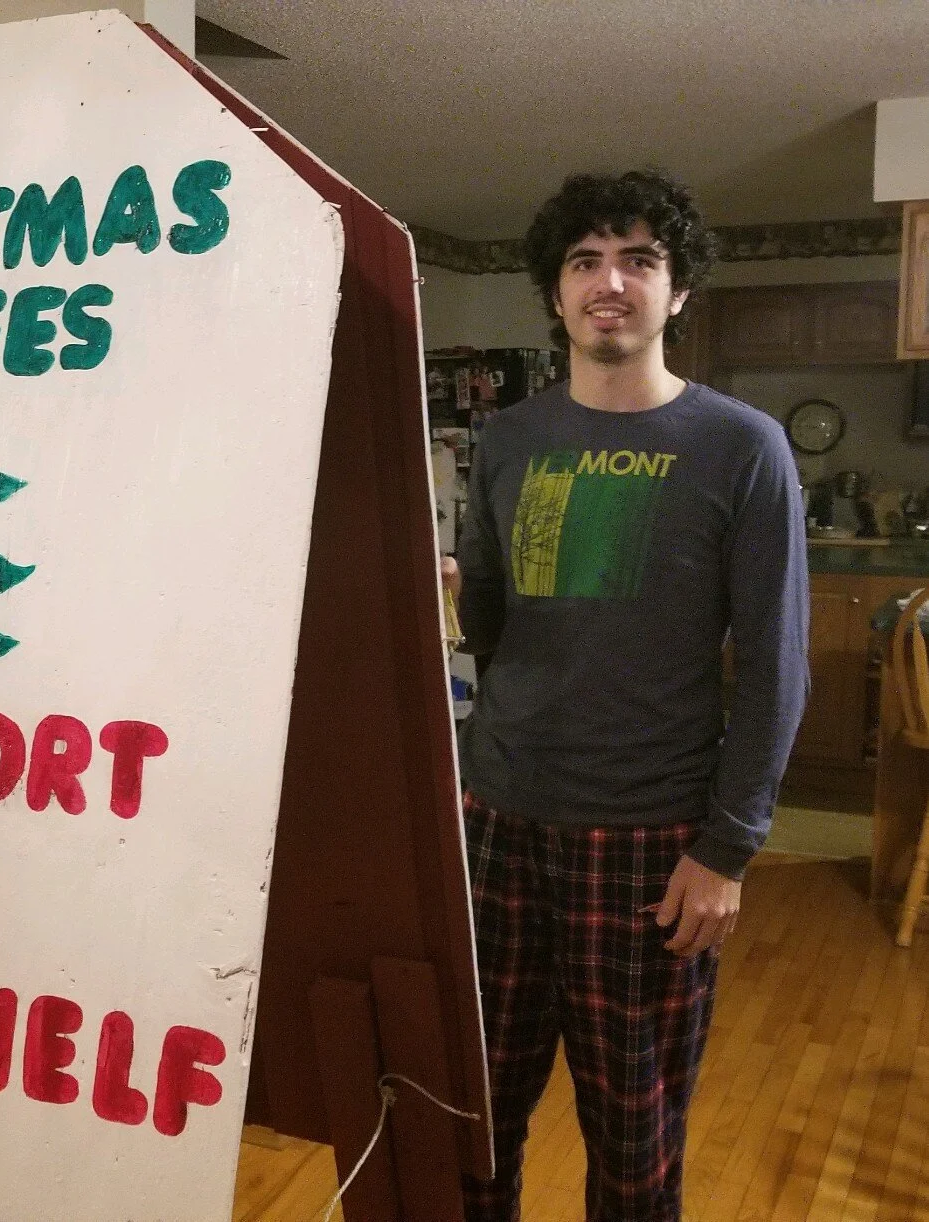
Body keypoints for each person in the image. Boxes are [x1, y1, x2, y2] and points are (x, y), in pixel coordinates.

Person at [446, 169, 808, 1222]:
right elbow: (494, 630)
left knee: (632, 1142)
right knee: (470, 1116)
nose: (610, 280)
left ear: (676, 290)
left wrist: (727, 845)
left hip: (651, 844)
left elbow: (778, 663)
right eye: (584, 260)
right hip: (497, 824)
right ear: (555, 293)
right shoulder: (507, 440)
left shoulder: (741, 447)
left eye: (639, 259)